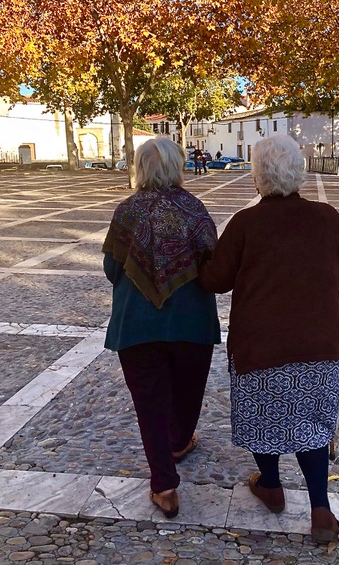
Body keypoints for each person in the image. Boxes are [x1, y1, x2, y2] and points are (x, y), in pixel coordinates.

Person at [199, 135, 339, 543]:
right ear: (299, 173)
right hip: (319, 343)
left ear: (258, 178)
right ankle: (320, 509)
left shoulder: (245, 223)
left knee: (264, 418)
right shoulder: (328, 218)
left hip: (260, 345)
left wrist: (202, 258)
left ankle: (270, 484)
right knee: (311, 423)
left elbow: (215, 281)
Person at [102, 138, 220, 519]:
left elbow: (111, 270)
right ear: (177, 166)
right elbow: (213, 265)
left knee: (149, 405)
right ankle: (180, 441)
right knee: (188, 393)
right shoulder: (195, 210)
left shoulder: (126, 213)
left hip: (136, 326)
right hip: (191, 324)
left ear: (140, 167)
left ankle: (164, 487)